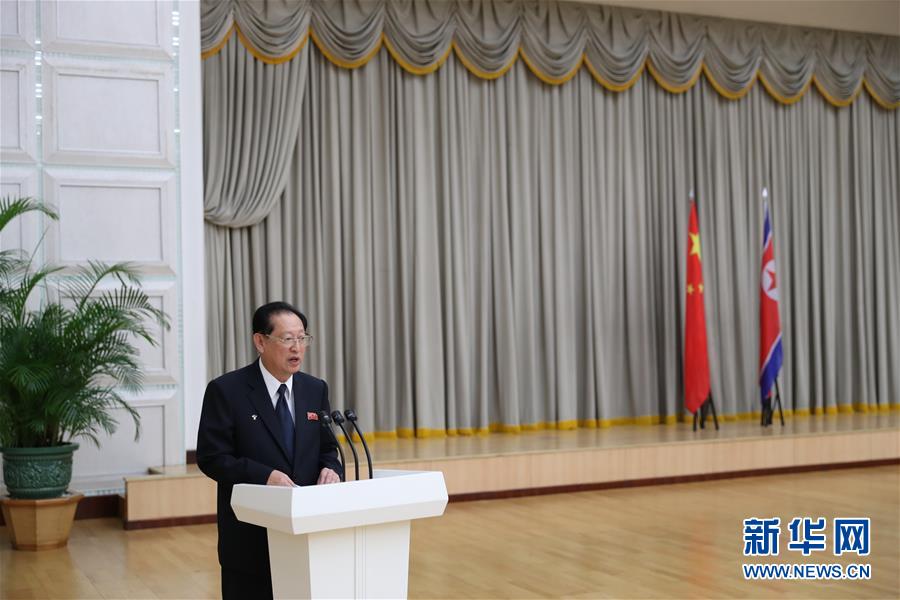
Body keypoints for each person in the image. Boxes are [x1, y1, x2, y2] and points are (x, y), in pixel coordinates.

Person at [197, 301, 342, 599]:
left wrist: (331, 468)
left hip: (306, 535)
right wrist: (264, 476)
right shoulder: (227, 390)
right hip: (250, 539)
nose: (297, 348)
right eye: (287, 339)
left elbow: (328, 447)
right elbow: (212, 458)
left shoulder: (315, 389)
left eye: (302, 338)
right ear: (260, 342)